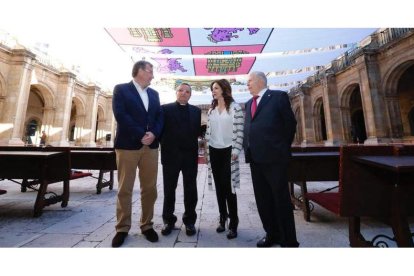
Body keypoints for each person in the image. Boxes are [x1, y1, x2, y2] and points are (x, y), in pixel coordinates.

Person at [243, 71, 299, 247]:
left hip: (275, 159)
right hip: (255, 159)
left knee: (280, 199)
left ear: (260, 81)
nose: (247, 84)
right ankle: (271, 234)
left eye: (249, 81)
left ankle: (288, 239)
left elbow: (290, 124)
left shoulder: (278, 96)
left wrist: (281, 147)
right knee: (263, 199)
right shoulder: (247, 103)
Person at [111, 60, 163, 247]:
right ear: (140, 71)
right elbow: (121, 115)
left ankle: (147, 225)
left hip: (151, 147)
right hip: (127, 146)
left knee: (150, 188)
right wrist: (141, 134)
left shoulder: (154, 94)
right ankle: (122, 228)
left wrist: (154, 133)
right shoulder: (121, 89)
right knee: (125, 188)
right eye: (150, 71)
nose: (152, 75)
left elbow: (159, 117)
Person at [159, 83, 201, 237]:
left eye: (187, 91)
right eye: (181, 90)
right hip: (170, 156)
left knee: (191, 189)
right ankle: (168, 220)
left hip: (190, 156)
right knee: (169, 189)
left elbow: (197, 132)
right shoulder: (165, 109)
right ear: (176, 92)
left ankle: (189, 221)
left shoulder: (196, 111)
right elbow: (159, 130)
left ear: (190, 95)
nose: (184, 93)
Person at [205, 79, 244, 239]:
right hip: (214, 151)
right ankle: (223, 218)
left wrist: (236, 149)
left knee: (229, 189)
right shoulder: (211, 110)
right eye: (212, 88)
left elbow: (240, 130)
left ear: (224, 89)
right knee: (220, 188)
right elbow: (209, 130)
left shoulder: (235, 108)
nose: (213, 91)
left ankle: (234, 222)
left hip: (229, 151)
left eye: (215, 88)